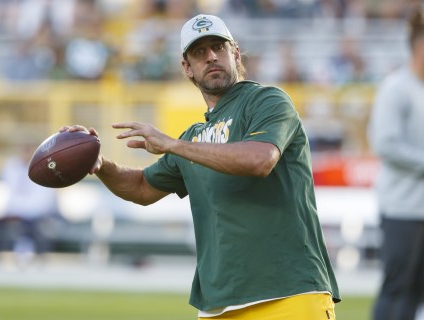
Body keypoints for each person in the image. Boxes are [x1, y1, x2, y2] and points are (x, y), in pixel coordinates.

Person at [61, 14, 340, 319]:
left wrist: (173, 145)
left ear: (235, 52)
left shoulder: (267, 101)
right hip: (218, 302)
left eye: (217, 47)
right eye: (199, 52)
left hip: (289, 292)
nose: (210, 57)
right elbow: (141, 187)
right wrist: (99, 164)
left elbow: (260, 160)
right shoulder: (193, 137)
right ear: (187, 68)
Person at [367, 9, 424, 320]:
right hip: (402, 209)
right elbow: (386, 144)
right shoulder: (396, 88)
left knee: (416, 292)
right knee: (398, 289)